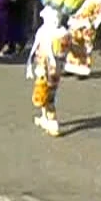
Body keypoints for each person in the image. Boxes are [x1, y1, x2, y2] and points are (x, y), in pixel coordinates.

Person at [27, 8, 68, 137]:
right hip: (57, 69)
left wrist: (38, 66)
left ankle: (52, 121)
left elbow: (41, 52)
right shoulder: (63, 33)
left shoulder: (47, 33)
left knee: (46, 93)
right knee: (48, 92)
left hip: (46, 69)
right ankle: (44, 116)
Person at [64, 0, 101, 78]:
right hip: (75, 22)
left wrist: (94, 24)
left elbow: (99, 13)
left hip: (87, 24)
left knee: (86, 46)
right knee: (72, 44)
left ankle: (83, 69)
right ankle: (71, 66)